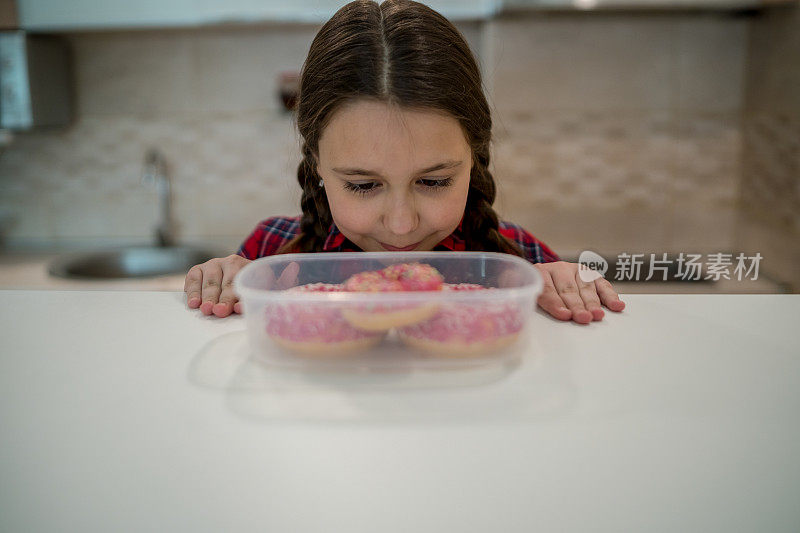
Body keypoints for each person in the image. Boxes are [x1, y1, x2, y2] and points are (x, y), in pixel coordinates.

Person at [184, 0, 625, 324]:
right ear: (316, 162)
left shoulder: (514, 259)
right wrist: (222, 281)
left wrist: (566, 287)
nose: (400, 224)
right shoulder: (271, 255)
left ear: (474, 157)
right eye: (362, 185)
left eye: (433, 181)